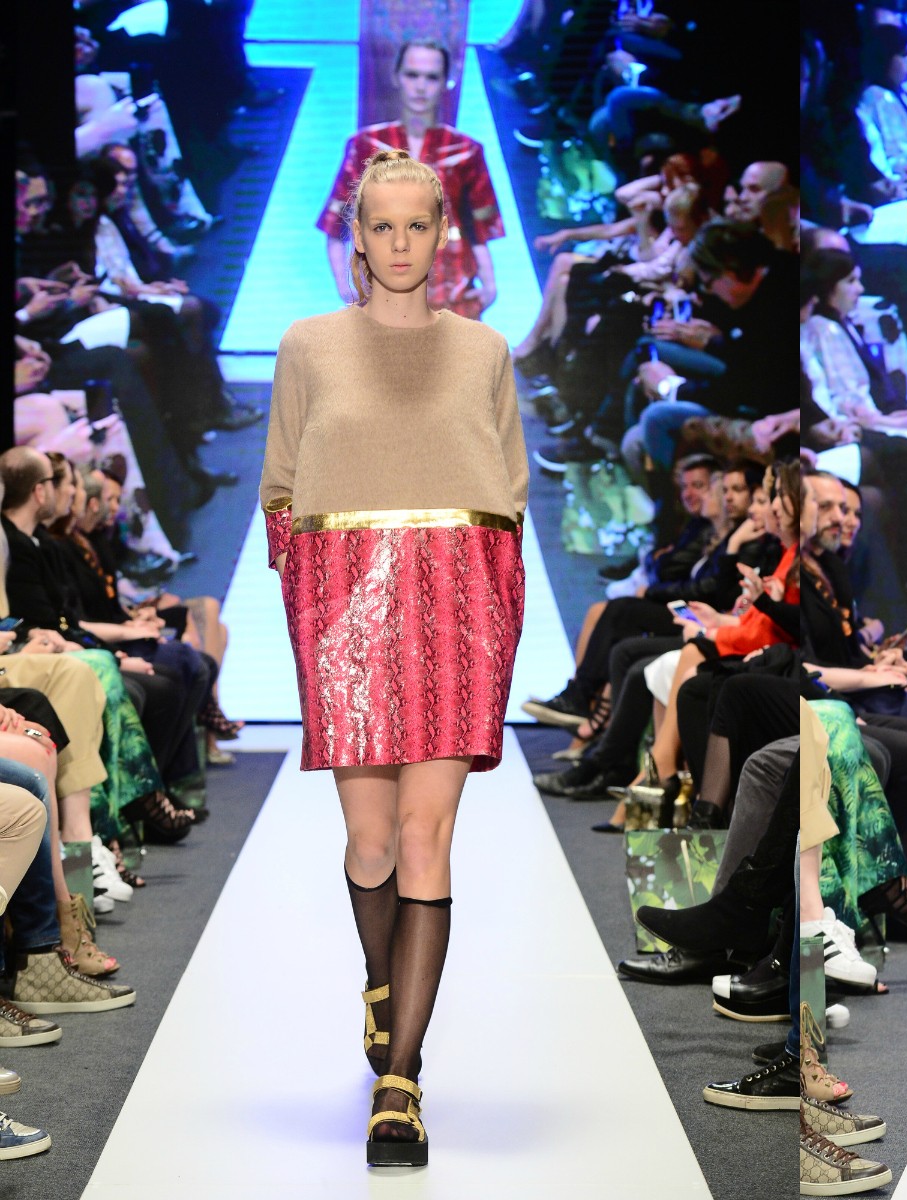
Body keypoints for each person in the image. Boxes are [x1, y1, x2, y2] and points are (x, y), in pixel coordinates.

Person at [265, 148, 528, 1167]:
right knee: (370, 841)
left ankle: (401, 1082)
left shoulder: (485, 350)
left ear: (444, 233)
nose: (402, 242)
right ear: (358, 235)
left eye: (419, 224)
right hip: (345, 607)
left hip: (459, 601)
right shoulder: (307, 345)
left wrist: (496, 605)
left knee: (426, 834)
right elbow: (281, 487)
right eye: (383, 225)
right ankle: (383, 983)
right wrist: (308, 596)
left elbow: (508, 494)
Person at [319, 40, 504, 318]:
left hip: (455, 297)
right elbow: (335, 226)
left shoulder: (467, 151)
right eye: (412, 75)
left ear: (446, 82)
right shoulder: (364, 146)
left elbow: (478, 229)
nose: (420, 86)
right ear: (396, 77)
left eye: (431, 77)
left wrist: (490, 286)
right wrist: (346, 289)